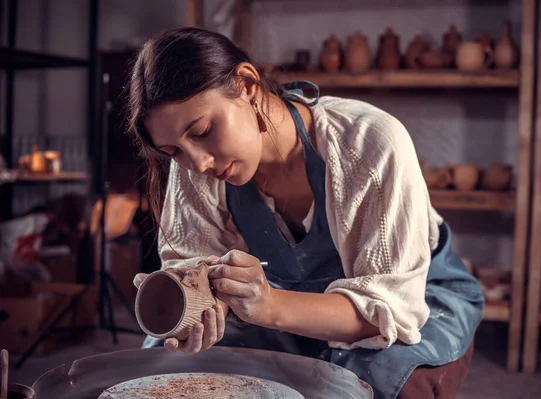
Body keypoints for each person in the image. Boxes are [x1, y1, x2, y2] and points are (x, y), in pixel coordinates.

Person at [127, 27, 484, 399]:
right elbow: (194, 266)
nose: (197, 162)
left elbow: (392, 308)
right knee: (164, 373)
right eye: (173, 152)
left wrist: (267, 305)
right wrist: (197, 304)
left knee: (361, 386)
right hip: (275, 308)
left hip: (410, 305)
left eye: (202, 130)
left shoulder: (369, 142)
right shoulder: (196, 167)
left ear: (247, 85)